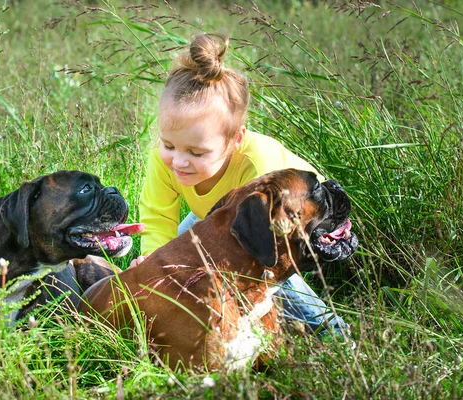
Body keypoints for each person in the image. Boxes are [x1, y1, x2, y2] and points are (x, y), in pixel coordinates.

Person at [130, 33, 346, 337]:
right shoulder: (163, 160)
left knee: (266, 271)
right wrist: (157, 268)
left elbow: (276, 252)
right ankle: (193, 317)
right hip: (229, 213)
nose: (179, 161)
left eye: (196, 152)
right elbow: (158, 216)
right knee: (182, 253)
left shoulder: (260, 168)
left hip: (303, 218)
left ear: (236, 140)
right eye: (169, 145)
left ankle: (330, 330)